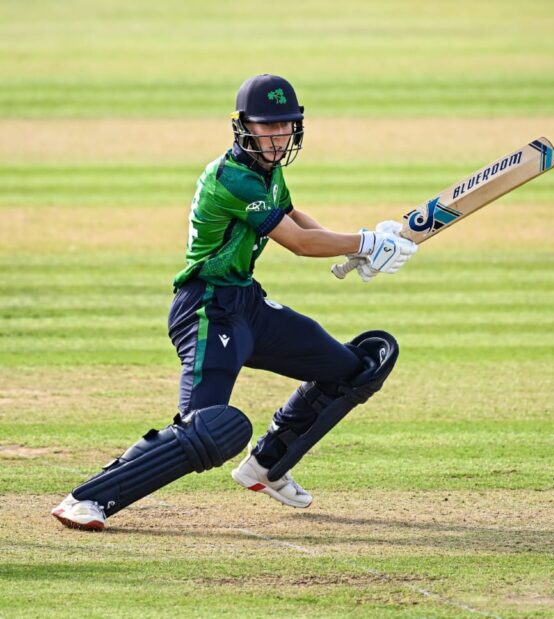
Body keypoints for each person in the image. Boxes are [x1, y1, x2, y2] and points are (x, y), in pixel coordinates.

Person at [51, 74, 416, 531]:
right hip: (206, 309)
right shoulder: (233, 178)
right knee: (209, 428)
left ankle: (267, 464)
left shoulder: (268, 169)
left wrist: (354, 246)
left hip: (247, 306)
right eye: (268, 126)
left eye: (286, 125)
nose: (278, 136)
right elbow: (299, 243)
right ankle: (86, 499)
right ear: (244, 125)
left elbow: (293, 215)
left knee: (354, 368)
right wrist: (364, 241)